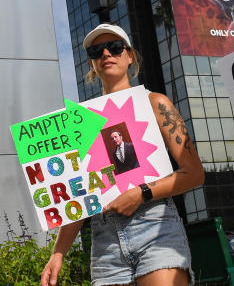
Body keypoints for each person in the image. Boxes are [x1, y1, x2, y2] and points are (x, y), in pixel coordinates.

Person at [41, 23, 205, 286]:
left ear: (130, 56)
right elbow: (79, 193)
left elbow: (194, 173)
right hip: (105, 241)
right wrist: (58, 253)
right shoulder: (79, 123)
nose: (106, 54)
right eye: (97, 51)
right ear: (92, 64)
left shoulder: (156, 103)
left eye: (115, 47)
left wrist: (142, 192)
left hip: (156, 227)